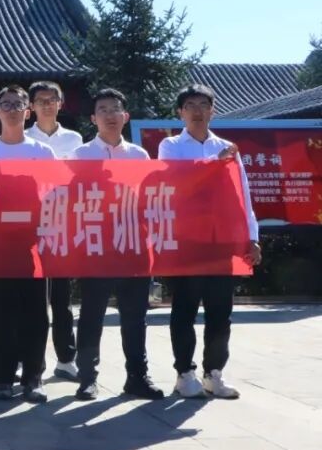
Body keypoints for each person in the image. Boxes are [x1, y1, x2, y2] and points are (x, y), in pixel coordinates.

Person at [158, 83, 262, 400]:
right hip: (187, 239)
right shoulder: (171, 146)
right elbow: (175, 181)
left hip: (222, 239)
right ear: (180, 112)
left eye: (203, 105)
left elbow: (242, 195)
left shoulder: (228, 148)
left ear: (213, 110)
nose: (197, 111)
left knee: (220, 312)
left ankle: (213, 373)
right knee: (184, 310)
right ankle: (184, 373)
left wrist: (252, 237)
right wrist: (214, 164)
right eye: (190, 105)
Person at [69, 88, 164, 401]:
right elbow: (72, 200)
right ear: (93, 118)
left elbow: (149, 201)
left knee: (135, 318)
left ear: (125, 116)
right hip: (96, 247)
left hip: (133, 246)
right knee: (91, 316)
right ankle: (87, 378)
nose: (110, 115)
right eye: (103, 110)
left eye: (115, 109)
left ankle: (137, 376)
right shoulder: (80, 156)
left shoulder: (139, 156)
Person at [0, 85, 55, 403]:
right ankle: (2, 377)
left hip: (34, 243)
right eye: (6, 105)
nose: (12, 110)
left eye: (18, 105)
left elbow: (54, 196)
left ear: (28, 111)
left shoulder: (43, 152)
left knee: (36, 313)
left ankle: (33, 377)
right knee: (0, 312)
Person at [26, 80, 83, 383]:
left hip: (63, 224)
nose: (47, 105)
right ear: (31, 106)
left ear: (61, 104)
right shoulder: (23, 140)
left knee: (62, 298)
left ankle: (66, 359)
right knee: (32, 299)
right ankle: (29, 359)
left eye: (52, 100)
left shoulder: (75, 140)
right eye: (41, 100)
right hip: (32, 225)